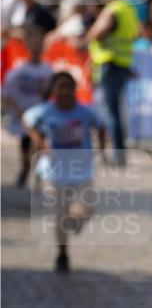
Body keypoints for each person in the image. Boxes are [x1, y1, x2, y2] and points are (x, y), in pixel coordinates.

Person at [22, 71, 106, 273]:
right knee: (60, 214)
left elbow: (101, 126)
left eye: (69, 87)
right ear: (53, 91)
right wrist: (40, 143)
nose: (65, 92)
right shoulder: (45, 110)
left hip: (81, 169)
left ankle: (75, 220)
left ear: (74, 90)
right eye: (60, 87)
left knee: (88, 208)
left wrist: (101, 150)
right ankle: (62, 254)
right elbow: (27, 121)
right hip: (55, 172)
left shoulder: (85, 112)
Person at [83, 0, 138, 164]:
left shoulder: (113, 9)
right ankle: (119, 153)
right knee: (115, 110)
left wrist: (89, 34)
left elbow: (96, 34)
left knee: (109, 111)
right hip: (122, 64)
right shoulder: (128, 9)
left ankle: (115, 154)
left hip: (110, 63)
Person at [1, 25, 52, 186]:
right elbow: (6, 94)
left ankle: (38, 178)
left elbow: (51, 93)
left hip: (41, 117)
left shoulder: (47, 70)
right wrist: (18, 110)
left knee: (39, 145)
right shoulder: (19, 70)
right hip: (24, 116)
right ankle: (24, 169)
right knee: (25, 145)